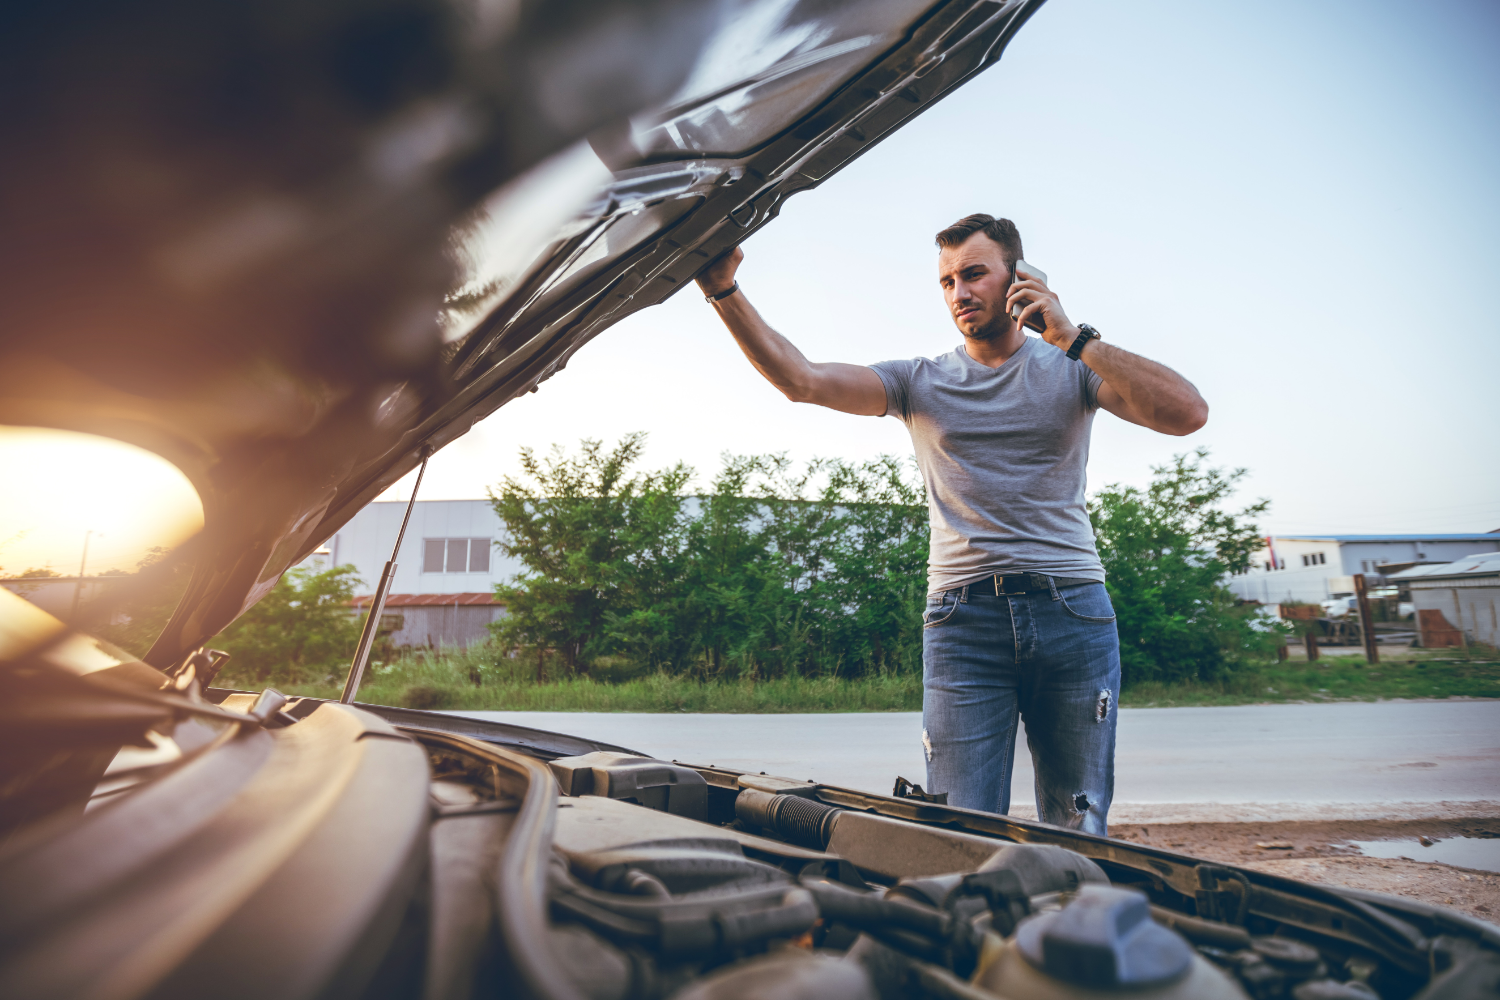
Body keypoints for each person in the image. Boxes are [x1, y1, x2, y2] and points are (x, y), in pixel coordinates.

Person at [695, 213, 1207, 834]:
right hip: (963, 623)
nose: (959, 293)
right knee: (957, 833)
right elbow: (801, 381)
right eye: (946, 281)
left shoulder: (1073, 367)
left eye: (974, 274)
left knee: (1080, 828)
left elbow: (1187, 413)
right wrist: (722, 290)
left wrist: (1072, 336)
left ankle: (1066, 927)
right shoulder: (920, 381)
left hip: (1073, 610)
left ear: (1018, 279)